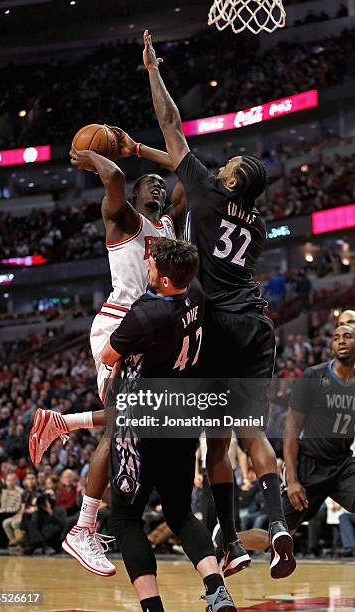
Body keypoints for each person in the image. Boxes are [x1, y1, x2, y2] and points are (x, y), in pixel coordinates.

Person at [142, 30, 295, 579]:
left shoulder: (207, 192)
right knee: (253, 432)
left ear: (229, 179)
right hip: (258, 324)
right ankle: (276, 526)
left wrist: (154, 73)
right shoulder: (255, 225)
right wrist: (140, 151)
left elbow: (174, 127)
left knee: (217, 443)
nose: (223, 161)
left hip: (219, 326)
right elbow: (180, 156)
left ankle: (229, 541)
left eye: (228, 162)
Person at [29, 138, 185, 575]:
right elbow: (114, 177)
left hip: (151, 331)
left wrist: (139, 148)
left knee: (149, 416)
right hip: (120, 325)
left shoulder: (169, 227)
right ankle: (82, 528)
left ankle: (63, 421)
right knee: (120, 425)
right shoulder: (123, 220)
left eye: (159, 185)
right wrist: (95, 156)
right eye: (148, 185)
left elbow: (183, 165)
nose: (157, 187)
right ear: (133, 196)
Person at [103, 237, 236, 612]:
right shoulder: (195, 291)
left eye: (151, 266)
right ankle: (216, 590)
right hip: (183, 414)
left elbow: (109, 352)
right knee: (179, 511)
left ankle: (153, 608)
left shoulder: (146, 314)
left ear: (163, 280)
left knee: (126, 518)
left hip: (144, 419)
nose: (146, 268)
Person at [282, 325, 355, 535]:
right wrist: (293, 479)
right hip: (309, 465)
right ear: (331, 346)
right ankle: (227, 539)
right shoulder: (313, 377)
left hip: (342, 464)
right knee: (278, 537)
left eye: (348, 336)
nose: (341, 341)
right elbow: (291, 428)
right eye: (336, 338)